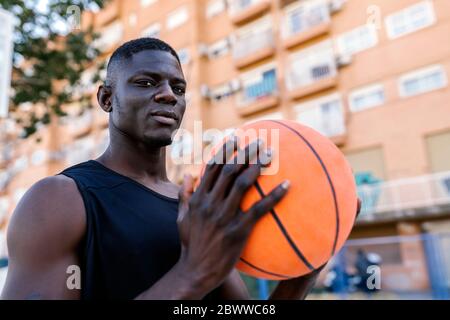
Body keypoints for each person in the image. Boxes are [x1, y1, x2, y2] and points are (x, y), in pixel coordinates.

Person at [1, 38, 359, 300]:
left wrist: (308, 263)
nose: (169, 95)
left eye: (178, 87)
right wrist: (192, 273)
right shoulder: (58, 199)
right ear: (107, 98)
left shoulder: (196, 205)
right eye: (146, 83)